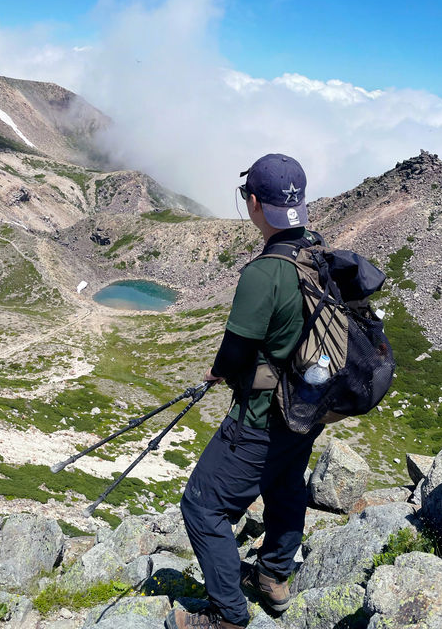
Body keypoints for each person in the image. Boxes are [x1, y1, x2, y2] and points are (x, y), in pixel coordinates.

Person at [165, 154, 326, 629]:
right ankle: (274, 577)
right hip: (307, 410)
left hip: (261, 418)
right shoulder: (315, 254)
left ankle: (228, 616)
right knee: (283, 484)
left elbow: (236, 351)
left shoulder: (264, 273)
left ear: (255, 203)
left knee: (201, 504)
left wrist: (219, 372)